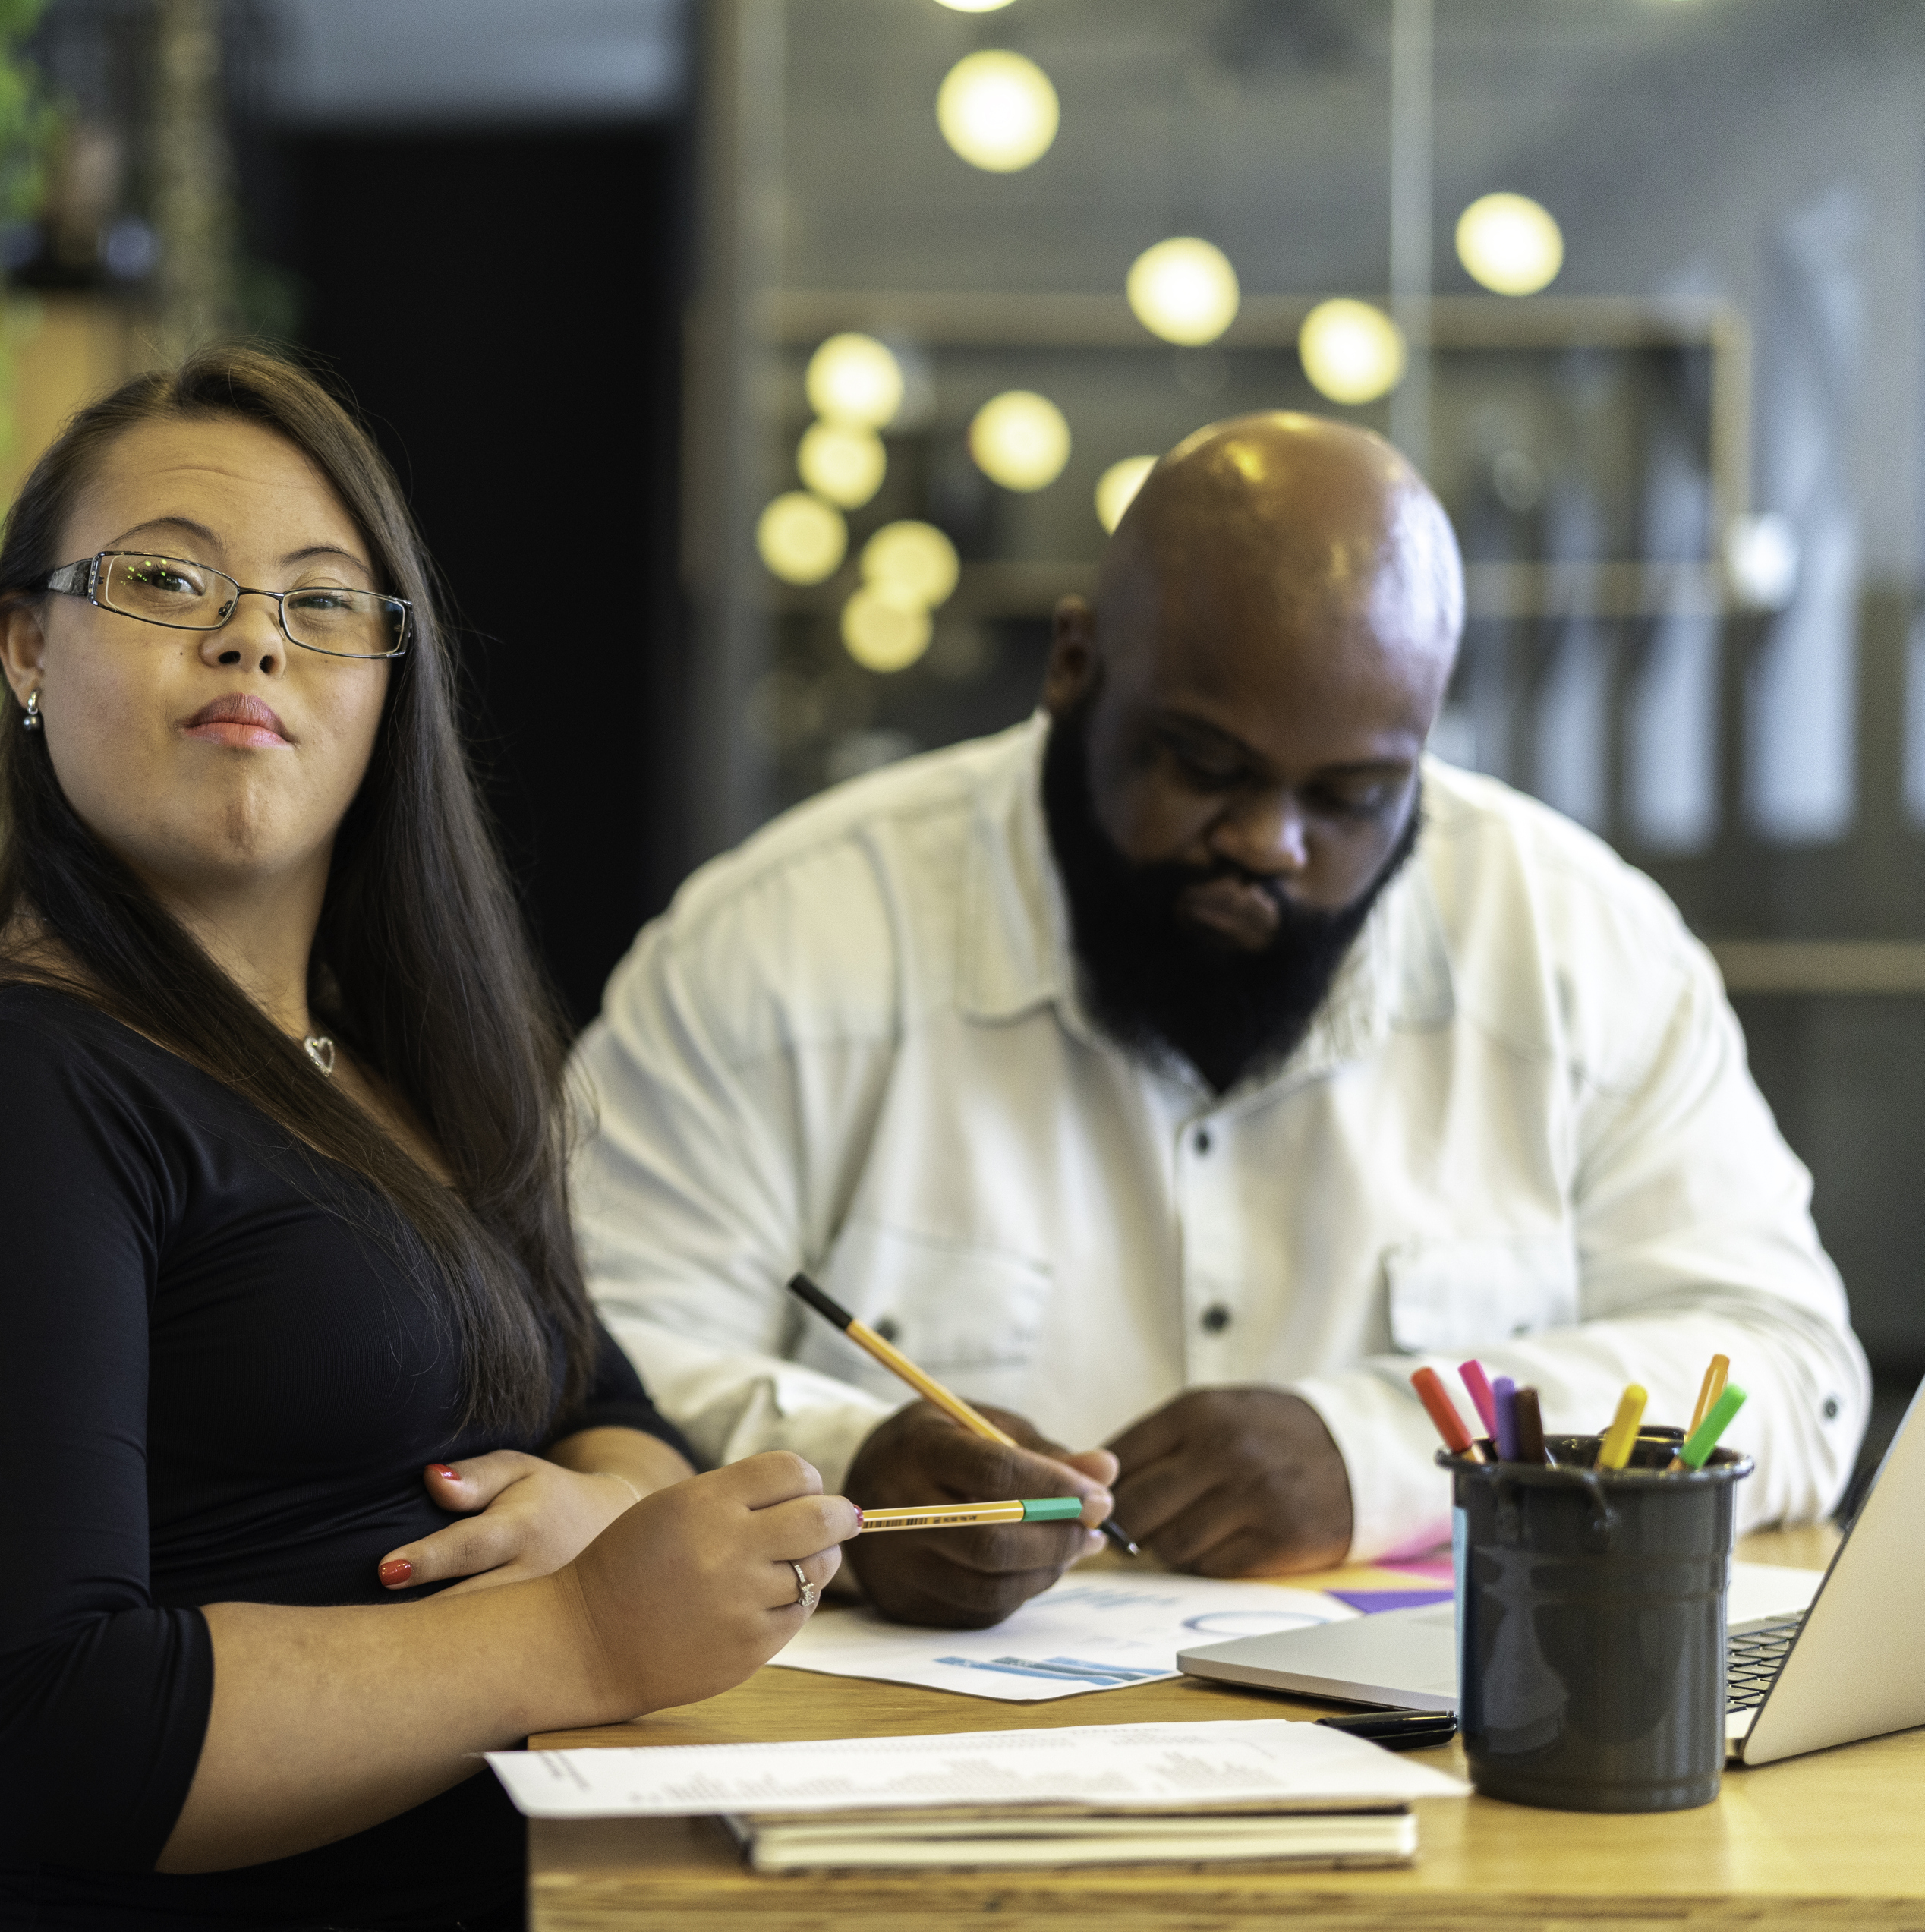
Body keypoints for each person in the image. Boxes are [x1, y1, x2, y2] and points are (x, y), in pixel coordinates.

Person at [0, 344, 861, 1930]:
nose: (253, 637)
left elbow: (607, 1401)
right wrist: (581, 1628)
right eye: (167, 578)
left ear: (388, 683)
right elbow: (43, 1731)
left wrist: (600, 1504)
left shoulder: (397, 1057)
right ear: (24, 645)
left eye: (324, 600)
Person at [572, 411, 1870, 1629]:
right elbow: (580, 1352)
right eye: (1204, 764)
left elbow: (1792, 1369)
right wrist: (848, 1476)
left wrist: (1379, 1454)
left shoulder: (1580, 942)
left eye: (1351, 797)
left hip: (1448, 1763)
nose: (1267, 843)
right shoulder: (783, 939)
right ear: (1074, 666)